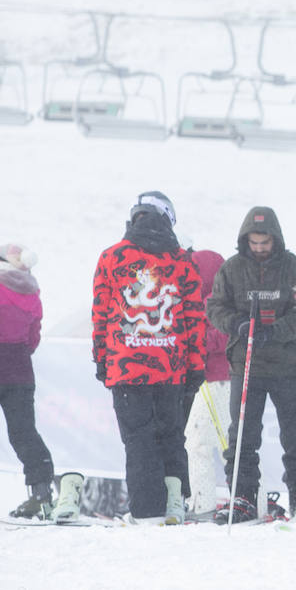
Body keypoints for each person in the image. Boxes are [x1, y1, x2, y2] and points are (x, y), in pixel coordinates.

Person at [91, 191, 205, 524]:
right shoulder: (183, 261)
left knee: (138, 440)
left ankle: (147, 510)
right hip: (171, 367)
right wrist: (195, 366)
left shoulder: (111, 257)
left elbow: (100, 314)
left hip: (127, 366)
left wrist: (101, 358)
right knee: (171, 435)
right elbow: (194, 318)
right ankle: (174, 502)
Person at [207, 206, 296, 524]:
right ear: (245, 240)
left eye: (264, 243)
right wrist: (238, 324)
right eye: (254, 243)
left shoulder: (294, 268)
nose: (259, 249)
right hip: (247, 366)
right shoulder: (231, 269)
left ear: (275, 239)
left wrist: (275, 331)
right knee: (242, 436)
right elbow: (214, 306)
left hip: (290, 367)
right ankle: (242, 498)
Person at [1, 242, 56, 518]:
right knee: (23, 433)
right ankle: (42, 492)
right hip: (20, 369)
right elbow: (33, 339)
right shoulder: (33, 294)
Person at [182, 246, 231, 514]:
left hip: (218, 381)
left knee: (200, 442)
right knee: (227, 445)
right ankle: (247, 500)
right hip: (215, 380)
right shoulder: (214, 301)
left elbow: (224, 337)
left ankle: (203, 504)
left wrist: (194, 340)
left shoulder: (214, 303)